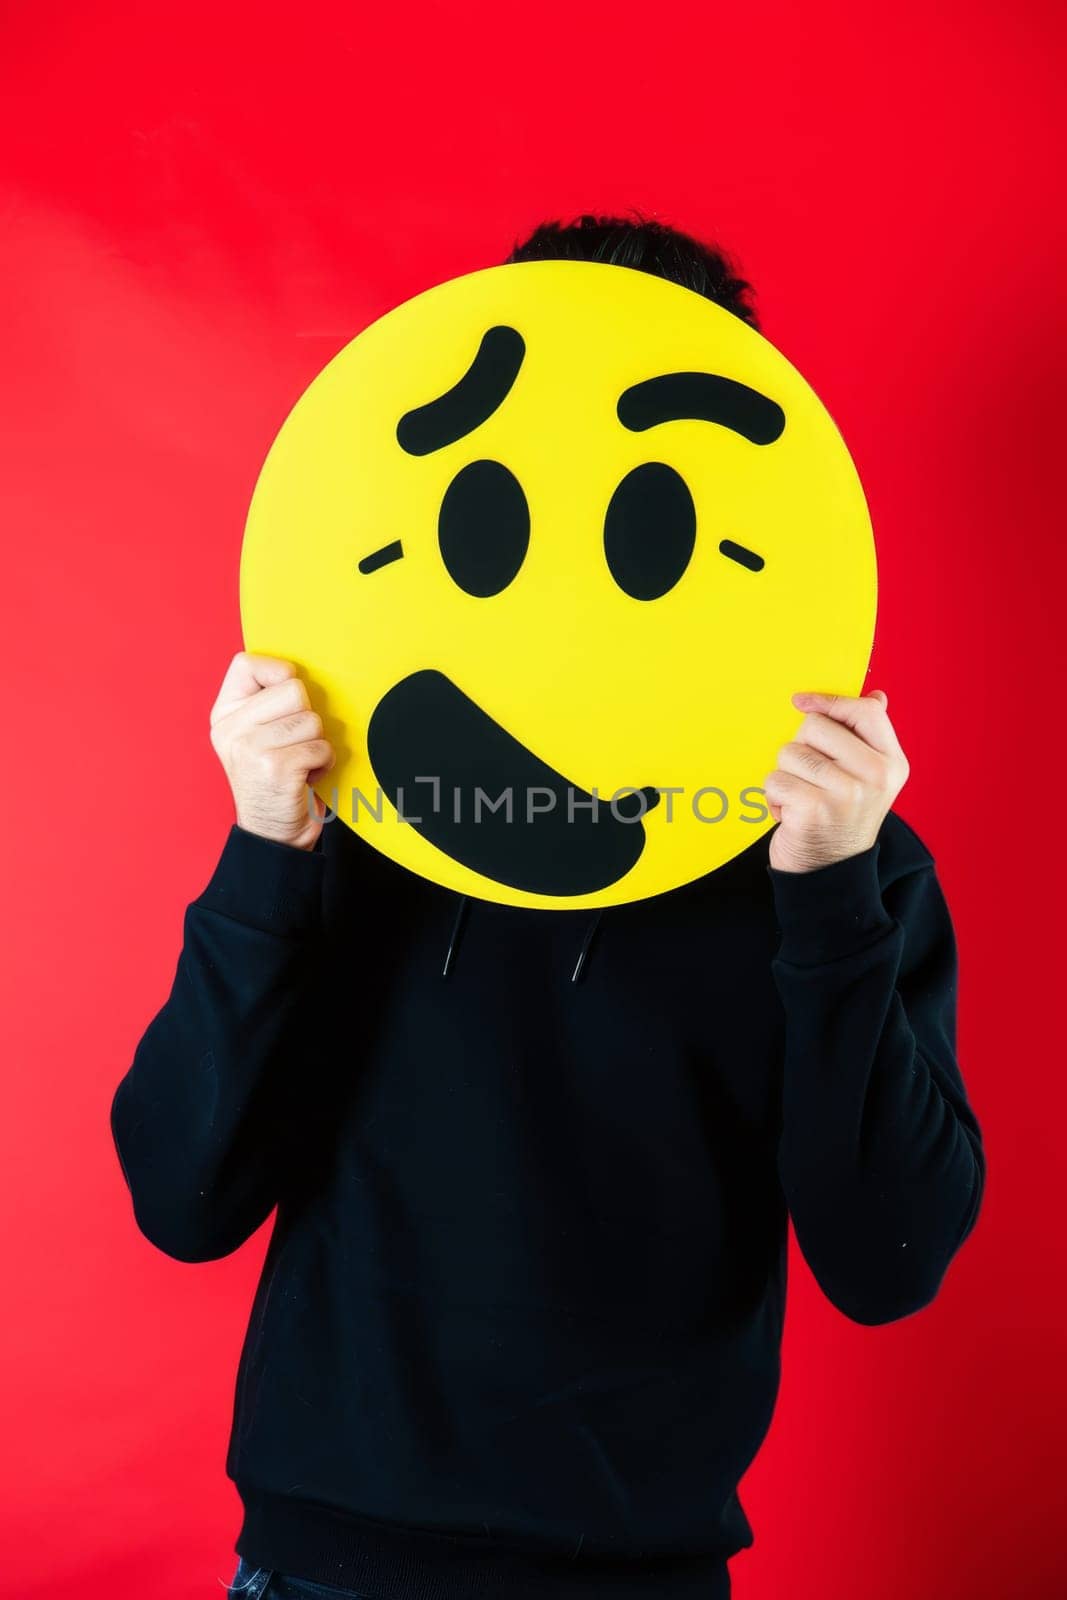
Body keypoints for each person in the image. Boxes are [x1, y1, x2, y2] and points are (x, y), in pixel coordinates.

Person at [110, 213, 985, 1600]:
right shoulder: (351, 823)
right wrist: (270, 845)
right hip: (324, 1564)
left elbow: (888, 1258)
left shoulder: (844, 860)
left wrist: (827, 895)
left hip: (640, 1573)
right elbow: (183, 1195)